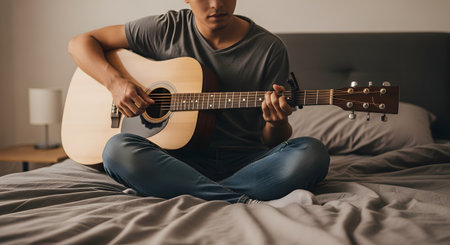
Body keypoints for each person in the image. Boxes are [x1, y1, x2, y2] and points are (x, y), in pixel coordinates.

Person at [68, 0, 330, 207]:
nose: (217, 4)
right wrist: (115, 83)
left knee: (312, 153)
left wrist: (277, 121)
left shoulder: (269, 49)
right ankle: (246, 201)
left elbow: (274, 140)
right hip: (176, 160)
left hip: (248, 161)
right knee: (116, 150)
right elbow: (80, 43)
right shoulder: (166, 29)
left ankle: (179, 189)